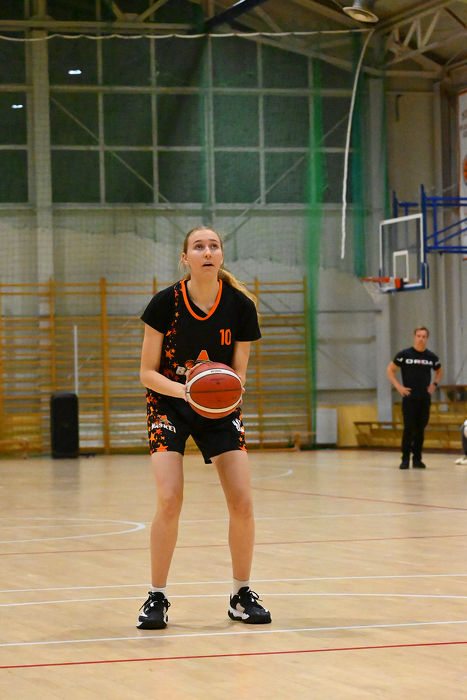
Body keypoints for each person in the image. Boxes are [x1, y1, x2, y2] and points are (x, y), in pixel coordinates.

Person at [137, 225, 271, 629]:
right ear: (186, 258)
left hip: (218, 405)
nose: (207, 252)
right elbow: (146, 373)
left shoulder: (240, 306)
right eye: (199, 246)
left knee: (242, 501)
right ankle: (156, 597)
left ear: (221, 256)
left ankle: (241, 594)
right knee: (169, 500)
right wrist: (187, 391)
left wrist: (215, 393)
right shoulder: (165, 303)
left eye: (214, 246)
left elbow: (239, 376)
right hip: (169, 401)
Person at [386, 326, 442, 469]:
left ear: (427, 339)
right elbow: (390, 370)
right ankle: (405, 459)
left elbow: (439, 371)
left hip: (424, 398)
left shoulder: (431, 357)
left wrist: (434, 384)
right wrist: (399, 387)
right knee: (408, 428)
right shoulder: (405, 354)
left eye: (424, 336)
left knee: (420, 429)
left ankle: (417, 459)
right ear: (414, 337)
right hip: (409, 397)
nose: (421, 339)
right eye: (418, 336)